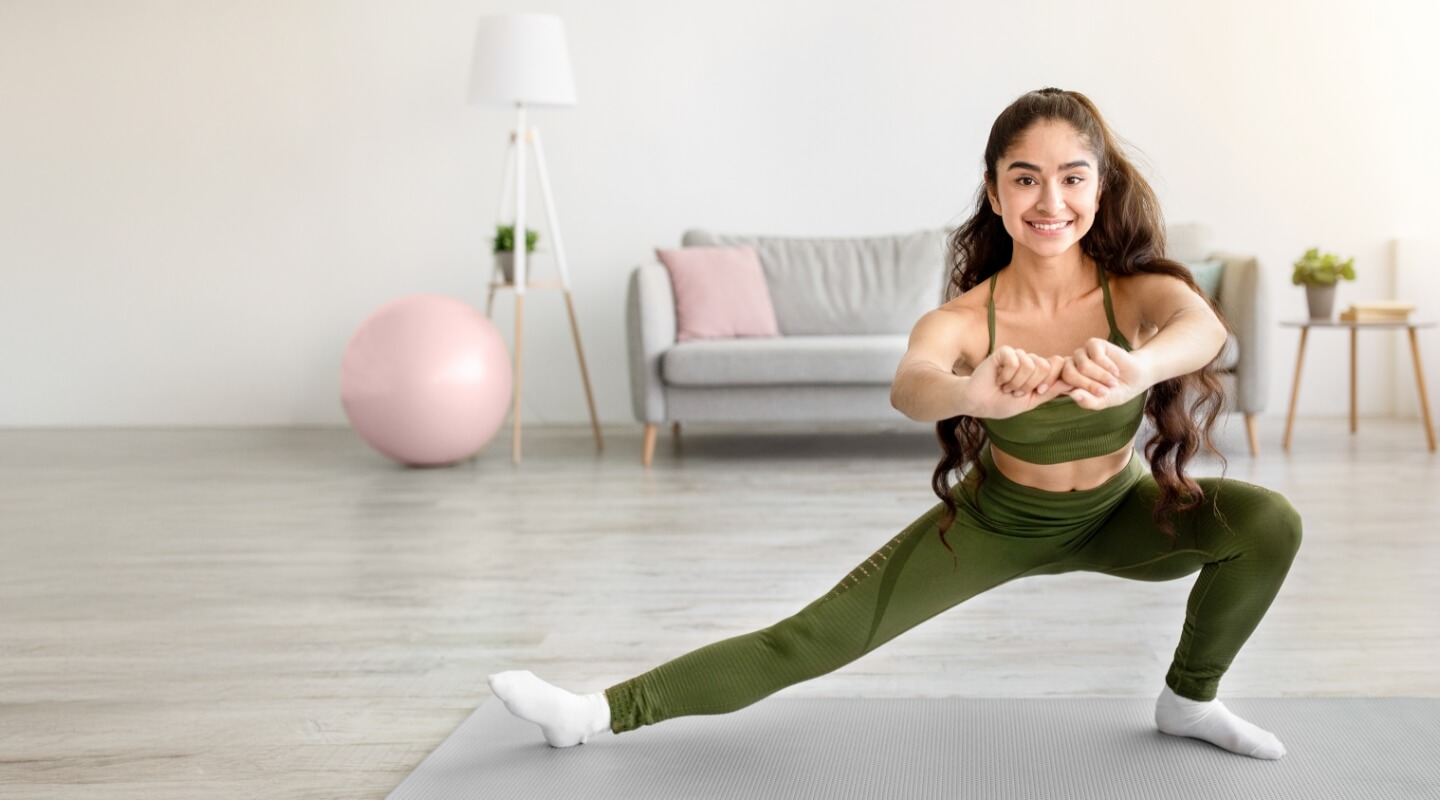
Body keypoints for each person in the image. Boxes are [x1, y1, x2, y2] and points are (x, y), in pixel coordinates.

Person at [488, 87, 1302, 760]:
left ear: (1099, 187)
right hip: (1001, 521)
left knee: (1268, 523)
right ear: (995, 191)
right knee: (808, 638)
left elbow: (1204, 326)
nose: (1050, 201)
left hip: (1119, 515)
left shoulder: (1133, 292)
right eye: (1025, 179)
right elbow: (911, 386)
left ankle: (1189, 703)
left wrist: (1139, 366)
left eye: (1071, 178)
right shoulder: (969, 316)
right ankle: (592, 713)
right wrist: (974, 395)